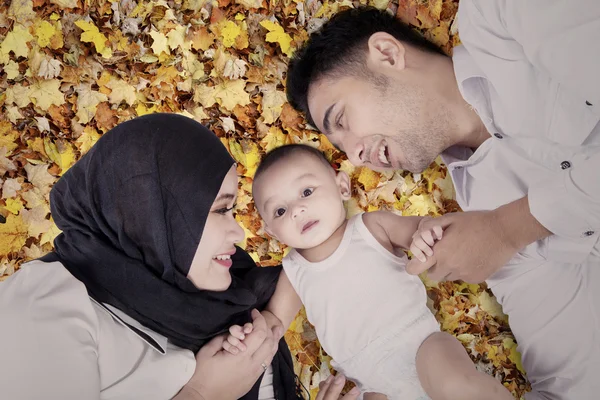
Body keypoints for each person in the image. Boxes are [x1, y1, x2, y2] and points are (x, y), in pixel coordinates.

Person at [284, 4, 600, 400]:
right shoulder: (478, 219)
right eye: (340, 148)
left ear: (387, 54)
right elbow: (574, 382)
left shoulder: (499, 19)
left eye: (342, 121)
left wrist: (512, 226)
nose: (353, 157)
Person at [0, 114, 305, 400]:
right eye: (221, 210)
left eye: (232, 209)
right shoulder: (43, 304)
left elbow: (305, 268)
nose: (238, 233)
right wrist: (201, 393)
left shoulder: (194, 277)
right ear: (150, 215)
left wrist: (272, 322)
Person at [223, 144, 513, 400]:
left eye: (307, 192)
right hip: (373, 384)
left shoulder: (370, 228)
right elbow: (274, 320)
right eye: (280, 211)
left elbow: (420, 230)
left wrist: (425, 235)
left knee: (454, 386)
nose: (297, 209)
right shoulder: (294, 270)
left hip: (420, 346)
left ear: (342, 187)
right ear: (273, 232)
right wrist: (254, 333)